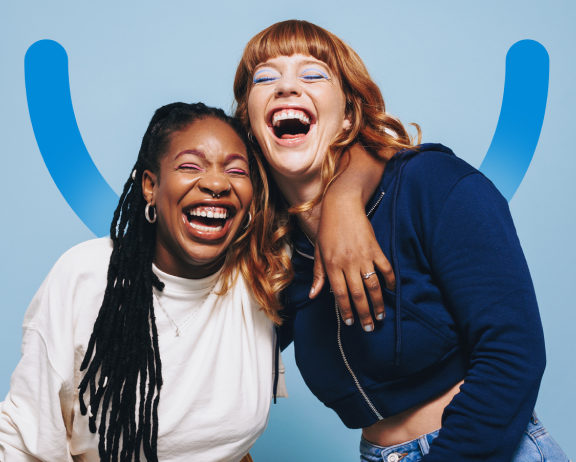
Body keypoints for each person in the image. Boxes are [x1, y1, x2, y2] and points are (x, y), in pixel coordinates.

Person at [232, 20, 570, 461]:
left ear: (349, 115)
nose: (286, 88)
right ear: (250, 124)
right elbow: (226, 356)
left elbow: (513, 353)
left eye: (313, 74)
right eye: (265, 78)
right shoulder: (280, 249)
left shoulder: (433, 185)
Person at [0, 102, 288, 462]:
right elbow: (25, 441)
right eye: (189, 166)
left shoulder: (263, 277)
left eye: (236, 170)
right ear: (151, 186)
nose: (216, 182)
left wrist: (344, 204)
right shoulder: (86, 276)